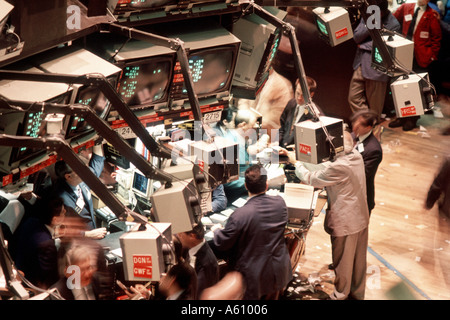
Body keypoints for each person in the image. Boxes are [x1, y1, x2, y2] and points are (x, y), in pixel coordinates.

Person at [288, 131, 370, 300]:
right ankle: (357, 294)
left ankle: (340, 295)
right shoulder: (355, 156)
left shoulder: (338, 167)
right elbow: (325, 168)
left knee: (343, 263)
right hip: (360, 216)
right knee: (358, 262)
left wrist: (296, 162)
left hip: (346, 221)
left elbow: (312, 178)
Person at [212, 164, 292, 300]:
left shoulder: (240, 214)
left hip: (254, 277)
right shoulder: (280, 203)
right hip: (278, 270)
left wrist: (216, 231)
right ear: (266, 185)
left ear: (246, 186)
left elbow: (223, 243)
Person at [390, 0, 442, 131]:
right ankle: (401, 117)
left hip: (421, 57)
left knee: (416, 89)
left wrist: (431, 56)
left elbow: (437, 38)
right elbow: (393, 20)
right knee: (400, 86)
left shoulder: (432, 15)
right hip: (403, 53)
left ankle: (412, 119)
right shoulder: (406, 7)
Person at [348, 0, 401, 121]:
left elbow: (383, 47)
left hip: (377, 69)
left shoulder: (393, 24)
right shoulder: (370, 15)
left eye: (377, 13)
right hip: (360, 64)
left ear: (383, 11)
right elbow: (357, 37)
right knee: (353, 97)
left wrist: (363, 45)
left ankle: (370, 132)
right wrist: (370, 24)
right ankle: (366, 123)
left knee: (375, 109)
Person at [53, 144, 107, 239]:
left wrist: (97, 140)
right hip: (76, 244)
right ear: (68, 176)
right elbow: (58, 230)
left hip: (92, 237)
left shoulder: (82, 180)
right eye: (80, 170)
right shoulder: (59, 197)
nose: (85, 171)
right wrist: (87, 234)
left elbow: (97, 162)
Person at [13, 196, 66, 289]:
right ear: (55, 220)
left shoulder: (30, 222)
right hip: (34, 287)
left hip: (21, 271)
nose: (65, 211)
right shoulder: (47, 244)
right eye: (62, 212)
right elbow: (50, 279)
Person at [350, 110, 383, 215]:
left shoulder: (374, 150)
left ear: (369, 128)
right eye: (354, 123)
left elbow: (361, 176)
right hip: (346, 196)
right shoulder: (352, 136)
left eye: (358, 126)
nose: (354, 127)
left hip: (360, 200)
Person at [278, 77, 323, 153]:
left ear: (311, 94)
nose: (299, 98)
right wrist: (275, 143)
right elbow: (282, 128)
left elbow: (312, 146)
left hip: (297, 156)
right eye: (297, 93)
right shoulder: (291, 103)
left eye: (303, 95)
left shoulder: (315, 115)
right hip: (281, 151)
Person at [176, 222, 220, 297]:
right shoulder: (191, 248)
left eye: (180, 234)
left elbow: (198, 295)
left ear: (192, 236)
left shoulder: (206, 264)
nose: (178, 236)